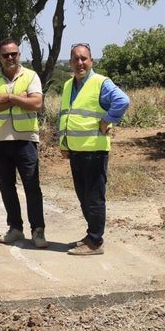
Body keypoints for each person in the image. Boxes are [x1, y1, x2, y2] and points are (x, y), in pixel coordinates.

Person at [59, 43, 130, 255]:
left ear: (91, 61)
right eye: (75, 59)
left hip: (94, 150)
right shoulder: (68, 85)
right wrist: (63, 144)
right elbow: (65, 116)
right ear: (70, 62)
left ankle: (95, 242)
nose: (80, 63)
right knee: (83, 196)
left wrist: (107, 119)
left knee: (94, 197)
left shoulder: (101, 83)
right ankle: (91, 235)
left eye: (84, 59)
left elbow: (123, 100)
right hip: (76, 150)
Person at [0, 38, 47, 248]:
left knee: (32, 186)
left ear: (19, 54)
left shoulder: (31, 76)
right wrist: (19, 97)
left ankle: (37, 231)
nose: (10, 58)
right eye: (5, 55)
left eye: (14, 54)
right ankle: (15, 228)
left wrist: (7, 97)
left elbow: (36, 103)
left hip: (26, 140)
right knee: (6, 187)